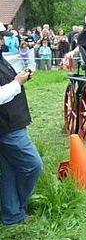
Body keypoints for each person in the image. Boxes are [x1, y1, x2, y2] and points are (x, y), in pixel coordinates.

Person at [0, 28, 42, 225]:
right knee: (32, 165)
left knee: (9, 169)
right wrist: (17, 83)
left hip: (10, 122)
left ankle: (12, 214)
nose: (2, 41)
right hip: (7, 126)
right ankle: (20, 204)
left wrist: (20, 76)